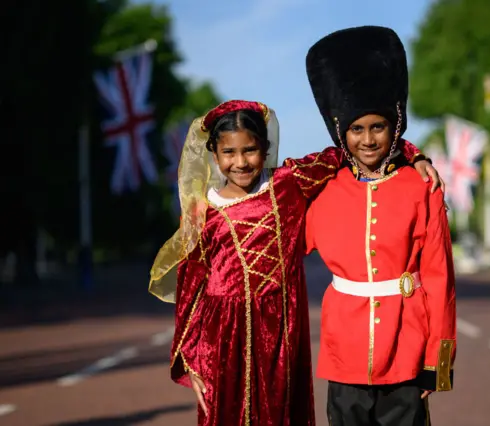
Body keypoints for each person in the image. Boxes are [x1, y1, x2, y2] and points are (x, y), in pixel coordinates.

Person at [148, 99, 442, 426]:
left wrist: (413, 154)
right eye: (229, 153)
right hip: (222, 341)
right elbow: (192, 286)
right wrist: (192, 356)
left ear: (266, 148)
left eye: (250, 150)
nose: (241, 162)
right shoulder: (202, 212)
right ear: (214, 155)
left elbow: (352, 147)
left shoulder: (289, 182)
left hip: (278, 334)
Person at [304, 26, 457, 426]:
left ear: (395, 128)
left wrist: (436, 363)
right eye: (356, 129)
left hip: (407, 347)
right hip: (343, 352)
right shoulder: (322, 189)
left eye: (378, 127)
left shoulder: (422, 186)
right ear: (342, 132)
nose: (368, 139)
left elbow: (440, 279)